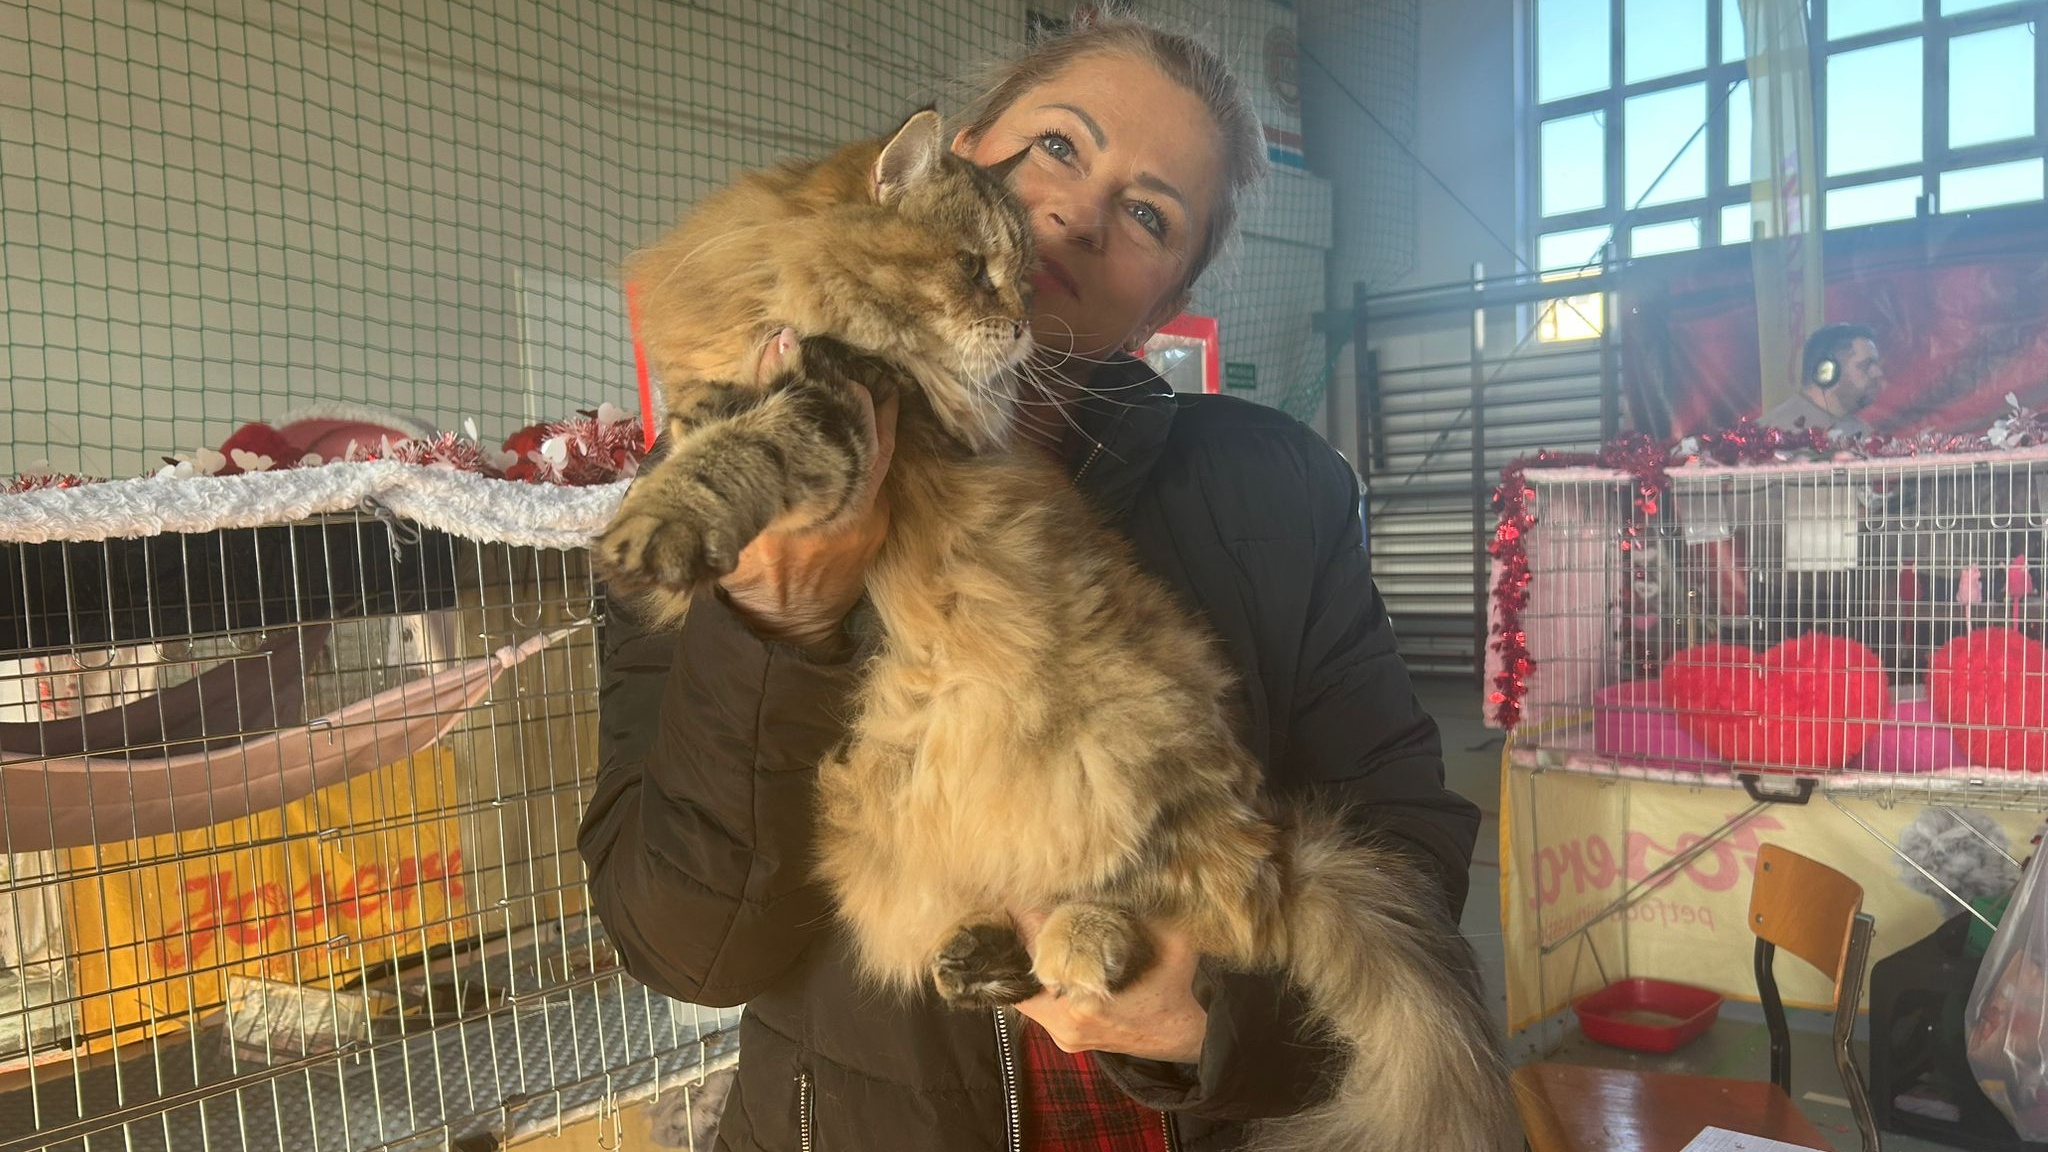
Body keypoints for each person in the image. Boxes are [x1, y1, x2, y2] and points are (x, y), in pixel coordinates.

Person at [577, 15, 1481, 1151]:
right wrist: (774, 622)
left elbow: (1404, 836)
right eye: (1057, 146)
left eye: (1149, 215)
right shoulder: (714, 480)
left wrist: (1216, 1018)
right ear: (953, 154)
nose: (1077, 214)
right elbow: (687, 949)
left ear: (1165, 302)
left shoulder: (1281, 488)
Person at [1759, 322, 1886, 436]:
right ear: (1827, 370)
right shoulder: (1772, 436)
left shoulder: (1867, 435)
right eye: (1866, 365)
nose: (1878, 373)